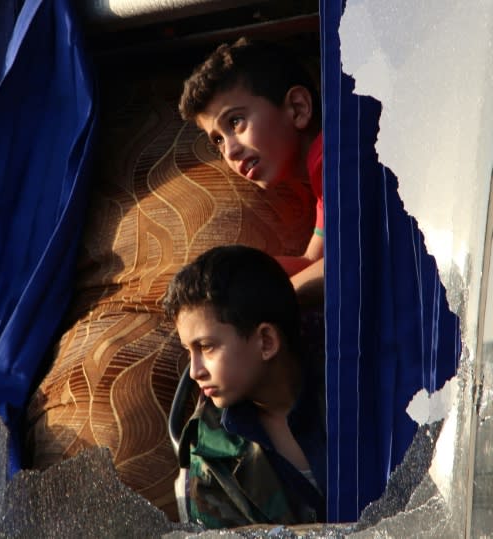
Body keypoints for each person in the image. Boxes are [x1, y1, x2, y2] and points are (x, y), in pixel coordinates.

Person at [162, 245, 325, 528]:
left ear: (266, 342)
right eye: (190, 351)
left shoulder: (354, 393)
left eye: (206, 347)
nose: (195, 372)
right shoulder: (211, 451)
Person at [178, 38, 324, 307]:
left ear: (298, 108)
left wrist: (267, 302)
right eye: (218, 140)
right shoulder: (323, 179)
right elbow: (313, 261)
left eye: (235, 121)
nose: (229, 152)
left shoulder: (332, 159)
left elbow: (351, 261)